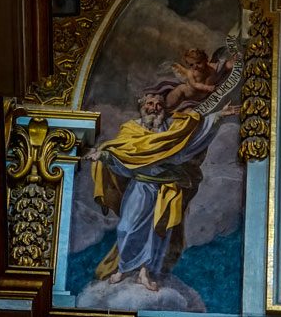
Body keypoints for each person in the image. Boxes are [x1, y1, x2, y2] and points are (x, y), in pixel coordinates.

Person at [87, 93, 237, 291]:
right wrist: (104, 155)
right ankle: (124, 268)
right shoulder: (131, 129)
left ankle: (144, 272)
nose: (154, 107)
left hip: (166, 189)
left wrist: (218, 116)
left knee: (156, 231)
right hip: (140, 187)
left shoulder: (172, 130)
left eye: (159, 104)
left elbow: (193, 140)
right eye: (150, 103)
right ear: (141, 106)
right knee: (127, 227)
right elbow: (120, 155)